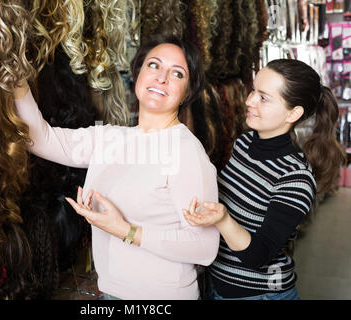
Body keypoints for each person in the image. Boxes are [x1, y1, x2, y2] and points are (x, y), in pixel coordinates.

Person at [13, 36, 220, 300]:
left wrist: (125, 230)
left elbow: (204, 247)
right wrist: (16, 74)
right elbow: (41, 139)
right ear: (138, 72)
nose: (162, 77)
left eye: (177, 73)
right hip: (111, 292)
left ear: (188, 91)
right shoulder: (111, 139)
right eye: (154, 65)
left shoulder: (186, 152)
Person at [184, 58, 346, 300]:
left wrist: (224, 220)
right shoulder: (243, 143)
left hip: (261, 294)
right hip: (216, 285)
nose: (249, 101)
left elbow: (259, 256)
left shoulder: (295, 177)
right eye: (253, 91)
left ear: (294, 113)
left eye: (263, 97)